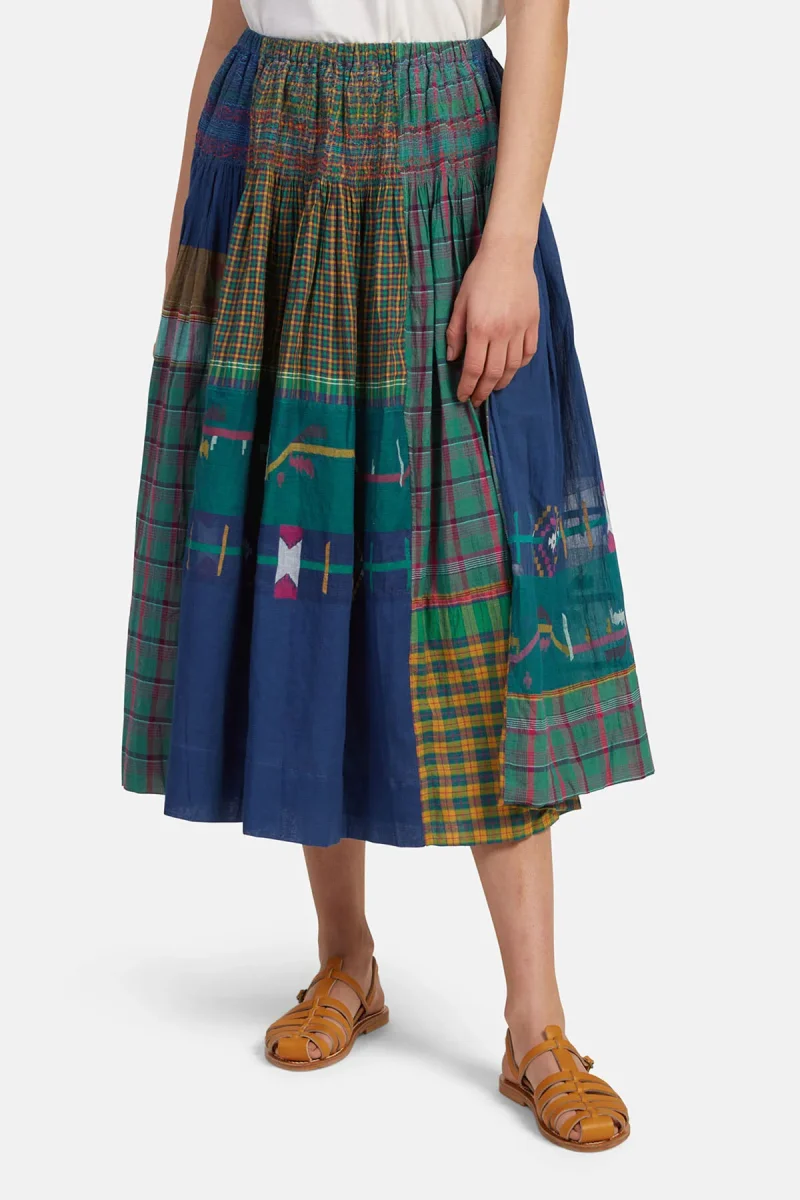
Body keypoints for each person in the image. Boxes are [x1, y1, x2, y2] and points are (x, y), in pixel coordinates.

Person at [123, 0, 652, 1152]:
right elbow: (226, 23)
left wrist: (507, 244)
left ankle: (534, 1025)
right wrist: (186, 231)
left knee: (478, 606)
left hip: (439, 173)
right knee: (305, 570)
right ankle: (345, 963)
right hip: (270, 159)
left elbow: (541, 21)